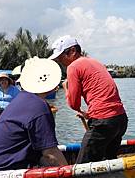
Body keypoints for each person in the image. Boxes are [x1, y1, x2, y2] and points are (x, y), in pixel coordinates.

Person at [50, 35, 128, 163]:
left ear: (73, 51)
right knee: (109, 162)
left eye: (61, 57)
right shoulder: (94, 62)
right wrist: (89, 114)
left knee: (82, 167)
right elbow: (104, 96)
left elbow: (74, 104)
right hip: (120, 119)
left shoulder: (73, 67)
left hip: (103, 122)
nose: (60, 61)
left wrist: (65, 87)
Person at [0, 58, 68, 172]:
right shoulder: (38, 106)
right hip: (3, 174)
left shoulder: (23, 98)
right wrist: (72, 176)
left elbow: (44, 155)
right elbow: (50, 154)